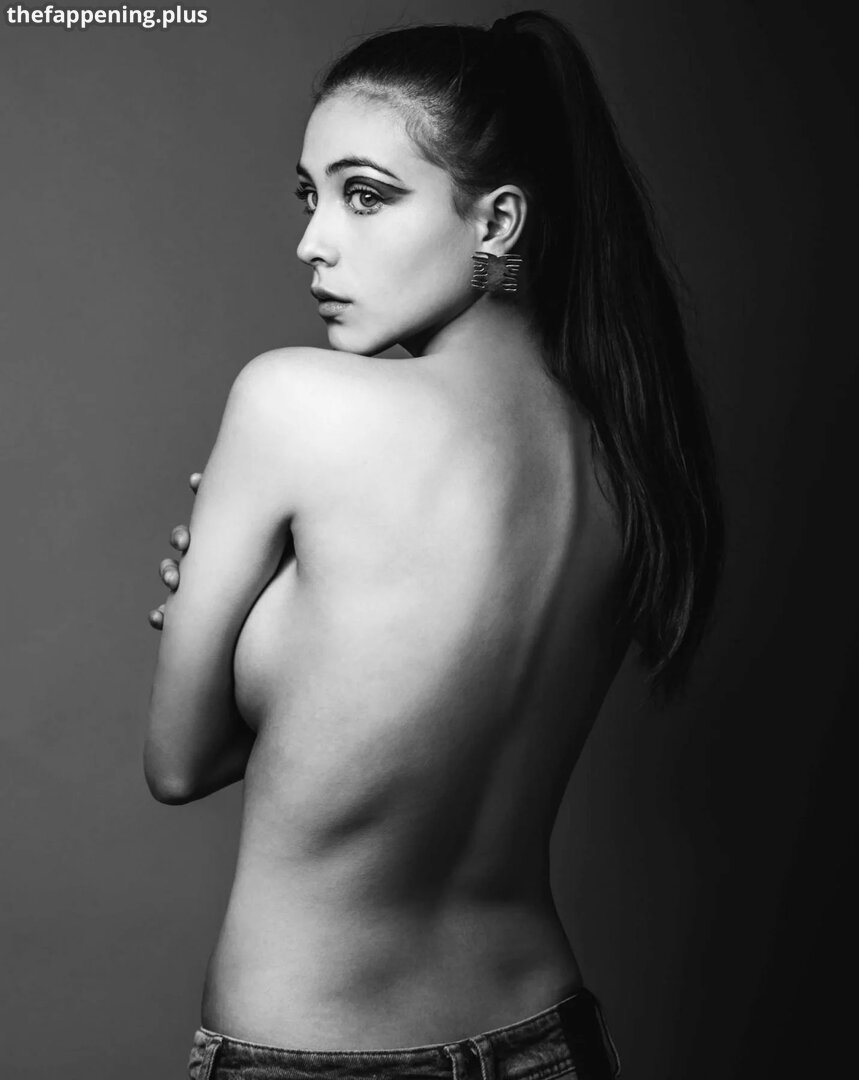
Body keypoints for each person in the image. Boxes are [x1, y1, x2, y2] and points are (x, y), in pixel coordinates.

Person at [145, 10, 723, 1079]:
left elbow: (181, 763)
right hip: (548, 1037)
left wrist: (230, 623)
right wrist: (292, 627)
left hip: (315, 1052)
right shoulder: (626, 459)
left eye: (366, 195)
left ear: (497, 220)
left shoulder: (293, 403)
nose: (315, 240)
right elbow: (402, 734)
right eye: (310, 196)